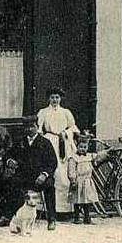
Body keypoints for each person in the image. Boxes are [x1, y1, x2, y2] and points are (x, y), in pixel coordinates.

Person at [0, 116, 58, 230]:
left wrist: (44, 174)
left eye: (32, 127)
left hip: (40, 177)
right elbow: (8, 155)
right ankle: (9, 217)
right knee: (12, 182)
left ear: (37, 127)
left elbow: (53, 162)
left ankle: (52, 218)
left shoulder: (45, 143)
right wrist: (10, 161)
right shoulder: (20, 142)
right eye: (27, 127)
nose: (29, 129)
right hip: (24, 176)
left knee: (49, 186)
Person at [36, 87, 80, 215]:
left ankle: (65, 210)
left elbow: (73, 127)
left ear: (60, 99)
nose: (55, 100)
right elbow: (39, 128)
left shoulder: (66, 112)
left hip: (64, 144)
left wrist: (65, 133)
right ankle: (49, 209)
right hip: (50, 143)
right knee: (53, 173)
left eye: (57, 97)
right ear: (48, 99)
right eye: (52, 97)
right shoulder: (43, 112)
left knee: (64, 176)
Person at [66, 134, 110, 224]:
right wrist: (73, 180)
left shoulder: (89, 156)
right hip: (78, 181)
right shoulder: (73, 158)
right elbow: (71, 170)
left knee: (87, 200)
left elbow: (99, 155)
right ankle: (77, 216)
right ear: (77, 146)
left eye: (85, 147)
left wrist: (108, 151)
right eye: (81, 147)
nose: (83, 149)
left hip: (87, 181)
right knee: (77, 200)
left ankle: (87, 216)